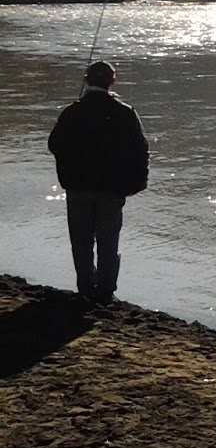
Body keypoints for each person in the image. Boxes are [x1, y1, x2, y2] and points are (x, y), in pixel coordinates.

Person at [48, 60, 150, 305]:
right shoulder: (125, 113)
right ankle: (105, 292)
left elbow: (54, 145)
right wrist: (137, 183)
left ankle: (85, 288)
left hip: (78, 187)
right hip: (112, 189)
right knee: (108, 241)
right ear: (112, 82)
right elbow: (140, 150)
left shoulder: (72, 112)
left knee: (81, 241)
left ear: (86, 80)